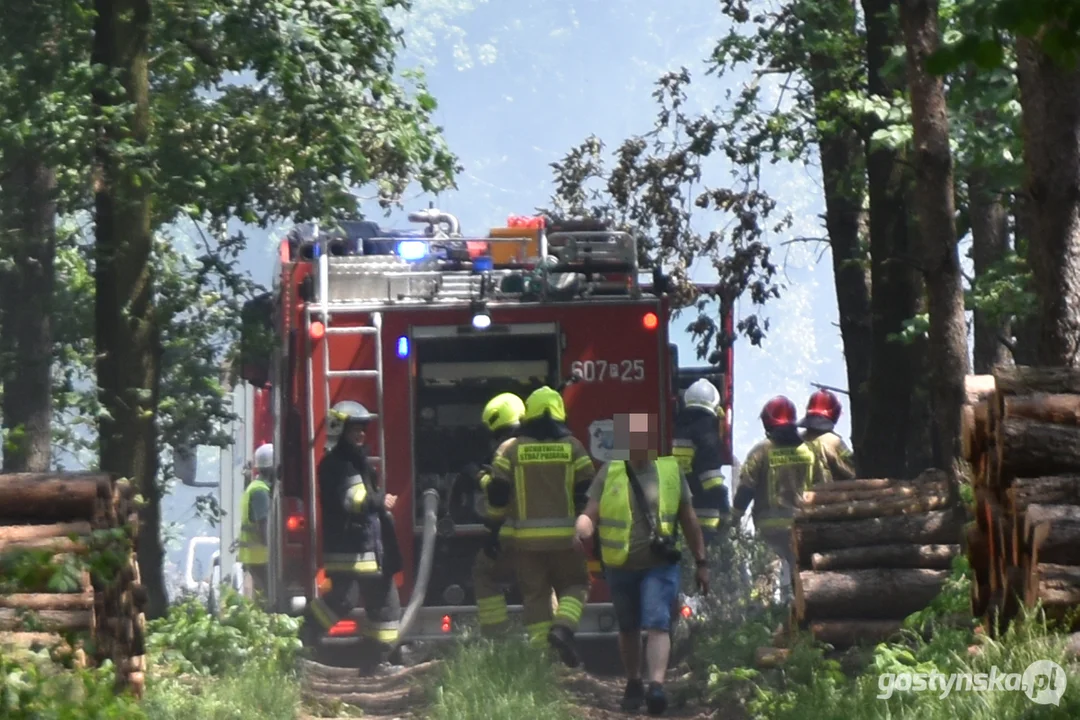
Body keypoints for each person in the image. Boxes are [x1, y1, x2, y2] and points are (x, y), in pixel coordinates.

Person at [573, 412, 709, 716]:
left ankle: (656, 686)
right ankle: (634, 682)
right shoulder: (610, 473)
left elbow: (690, 522)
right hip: (620, 566)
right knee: (628, 627)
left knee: (658, 623)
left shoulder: (671, 472)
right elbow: (590, 512)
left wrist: (702, 562)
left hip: (659, 565)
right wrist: (582, 526)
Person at [487, 386, 595, 667]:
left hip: (526, 543)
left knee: (535, 597)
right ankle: (564, 627)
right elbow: (587, 492)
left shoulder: (511, 450)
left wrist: (496, 523)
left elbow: (497, 495)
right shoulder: (574, 447)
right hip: (565, 541)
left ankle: (542, 660)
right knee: (577, 585)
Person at [307, 400, 403, 664]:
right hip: (355, 549)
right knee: (370, 603)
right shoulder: (338, 464)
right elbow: (353, 500)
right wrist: (379, 500)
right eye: (354, 430)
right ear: (340, 430)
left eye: (362, 429)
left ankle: (375, 660)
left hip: (363, 548)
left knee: (357, 601)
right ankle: (302, 639)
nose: (360, 434)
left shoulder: (355, 461)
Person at [731, 396, 824, 603]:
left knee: (766, 577)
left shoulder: (761, 451)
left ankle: (768, 612)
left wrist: (734, 518)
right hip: (802, 525)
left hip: (769, 528)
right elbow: (822, 486)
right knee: (798, 572)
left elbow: (746, 487)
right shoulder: (810, 450)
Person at [468, 392, 527, 636]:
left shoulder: (505, 448)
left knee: (483, 572)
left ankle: (496, 637)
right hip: (551, 534)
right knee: (541, 583)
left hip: (513, 533)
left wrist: (477, 476)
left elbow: (498, 493)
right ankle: (551, 647)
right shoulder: (544, 444)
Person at [672, 378, 730, 540]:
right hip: (702, 514)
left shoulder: (676, 428)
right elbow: (711, 479)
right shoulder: (707, 434)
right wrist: (725, 508)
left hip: (673, 508)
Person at [239, 443, 274, 603]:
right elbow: (263, 526)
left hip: (255, 558)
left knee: (260, 600)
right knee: (266, 600)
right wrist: (275, 553)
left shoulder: (254, 487)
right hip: (262, 558)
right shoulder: (260, 491)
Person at [799, 389, 856, 482]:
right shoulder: (833, 441)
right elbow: (853, 471)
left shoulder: (796, 440)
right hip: (826, 494)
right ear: (835, 414)